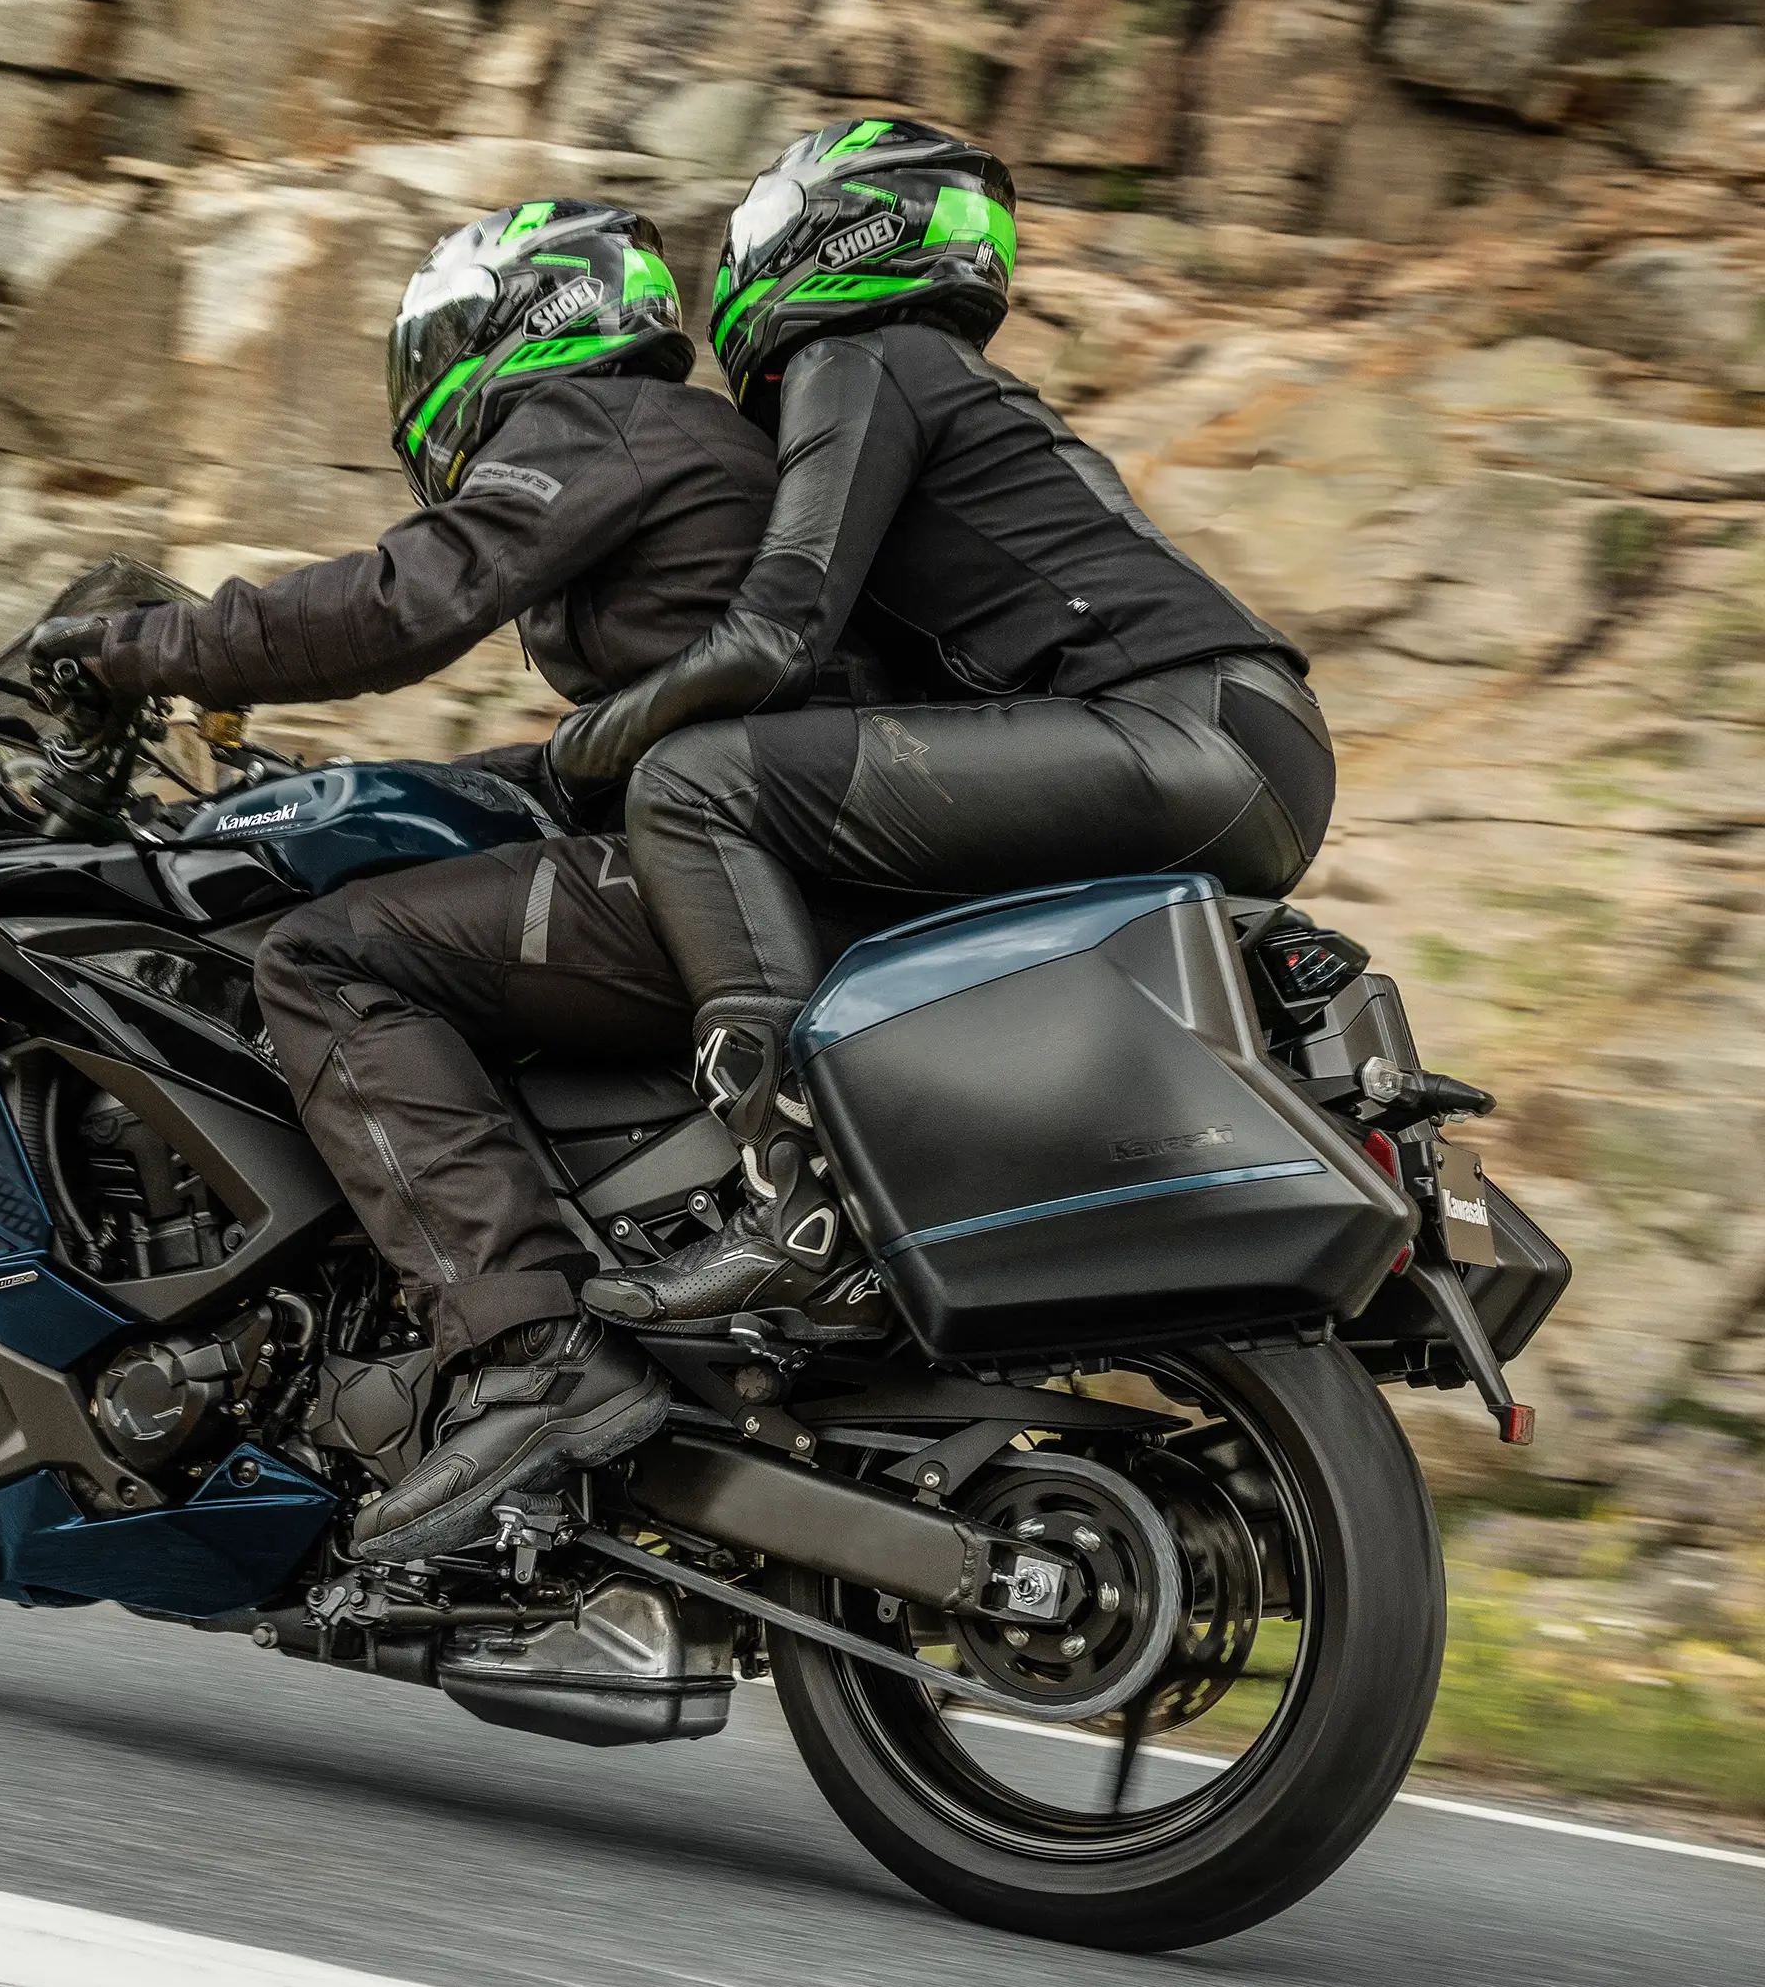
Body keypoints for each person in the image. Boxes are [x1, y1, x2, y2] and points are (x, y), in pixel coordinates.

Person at [20, 201, 786, 1561]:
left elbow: (398, 605)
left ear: (512, 327)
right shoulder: (695, 442)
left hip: (724, 875)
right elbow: (647, 734)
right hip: (756, 855)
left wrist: (140, 648)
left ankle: (531, 1347)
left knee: (324, 958)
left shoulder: (596, 423)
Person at [541, 120, 1337, 1326]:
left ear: (831, 236)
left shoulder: (862, 358)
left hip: (1185, 735)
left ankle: (794, 1200)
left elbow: (770, 639)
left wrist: (576, 754)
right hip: (1246, 742)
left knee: (698, 785)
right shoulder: (941, 379)